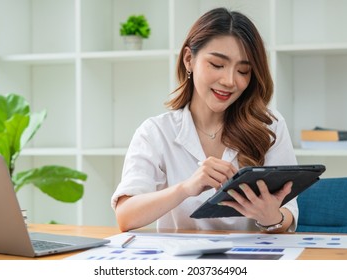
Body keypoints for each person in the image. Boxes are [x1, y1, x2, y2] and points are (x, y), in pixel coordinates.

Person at [111, 7, 298, 233]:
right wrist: (186, 188)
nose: (230, 81)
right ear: (189, 59)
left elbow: (287, 217)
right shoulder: (156, 132)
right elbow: (125, 216)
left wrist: (271, 217)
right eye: (217, 65)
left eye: (243, 71)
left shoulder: (270, 126)